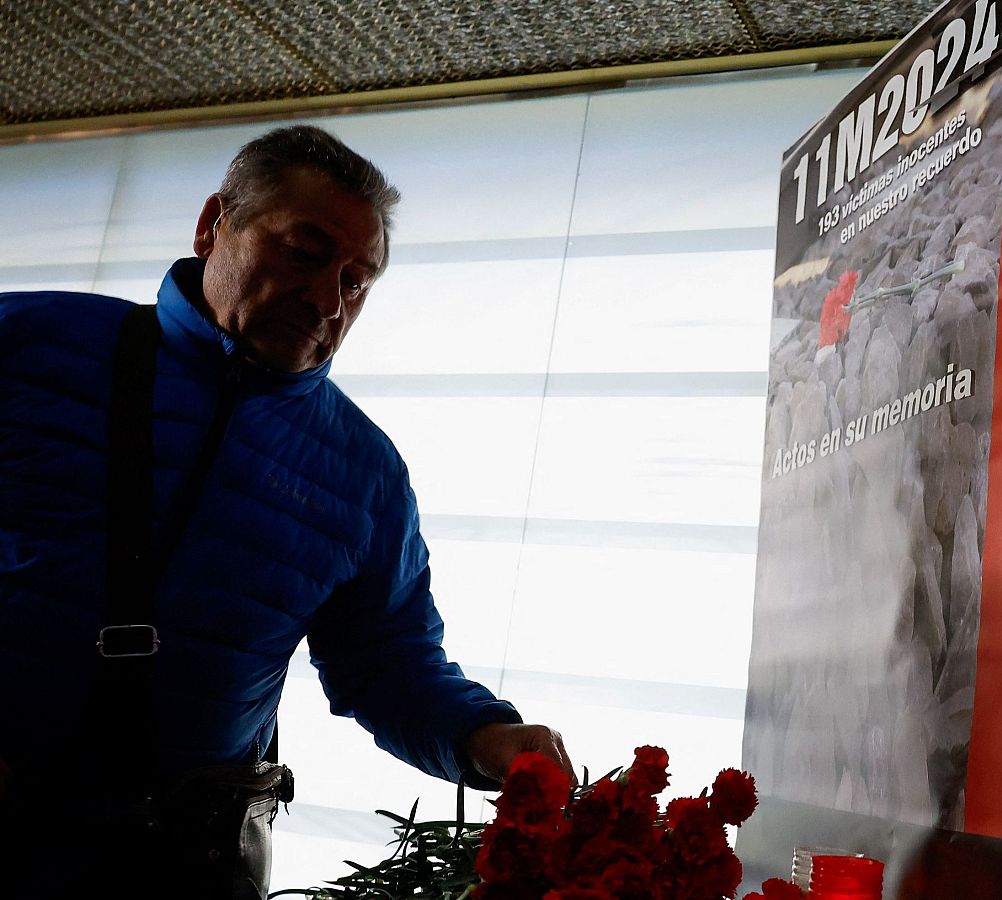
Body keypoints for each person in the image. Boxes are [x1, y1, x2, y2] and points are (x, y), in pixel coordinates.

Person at [0, 125, 573, 896]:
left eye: (355, 281)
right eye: (303, 253)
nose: (324, 299)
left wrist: (487, 737)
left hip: (181, 866)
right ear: (214, 224)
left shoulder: (365, 473)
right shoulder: (29, 347)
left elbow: (387, 660)